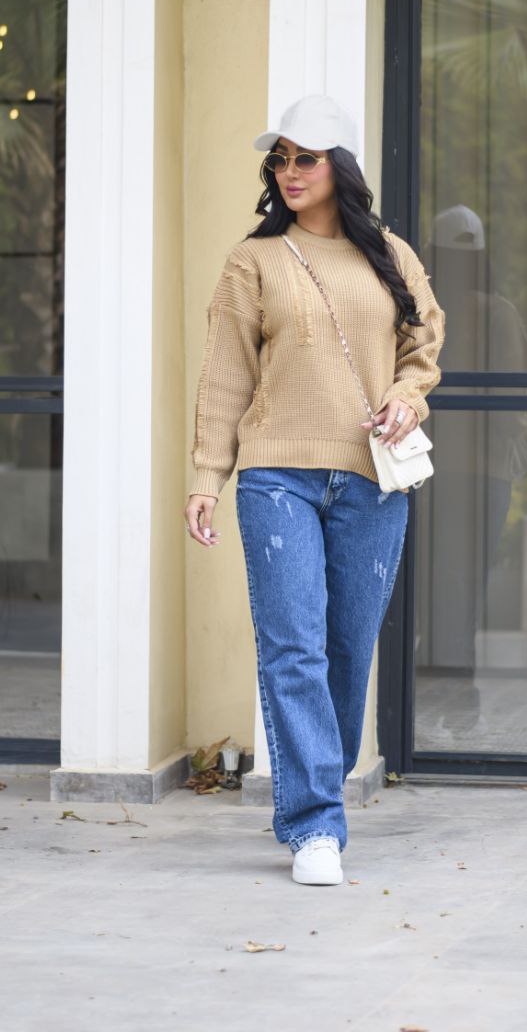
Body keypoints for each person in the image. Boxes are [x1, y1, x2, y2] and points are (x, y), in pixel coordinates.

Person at [183, 93, 446, 887]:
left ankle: (315, 797)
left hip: (371, 479)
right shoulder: (254, 261)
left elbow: (422, 344)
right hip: (276, 478)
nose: (289, 171)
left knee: (345, 650)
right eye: (280, 159)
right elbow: (225, 376)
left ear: (341, 167)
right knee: (293, 646)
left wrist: (408, 396)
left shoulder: (390, 256)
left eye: (306, 158)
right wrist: (206, 476)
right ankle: (314, 826)